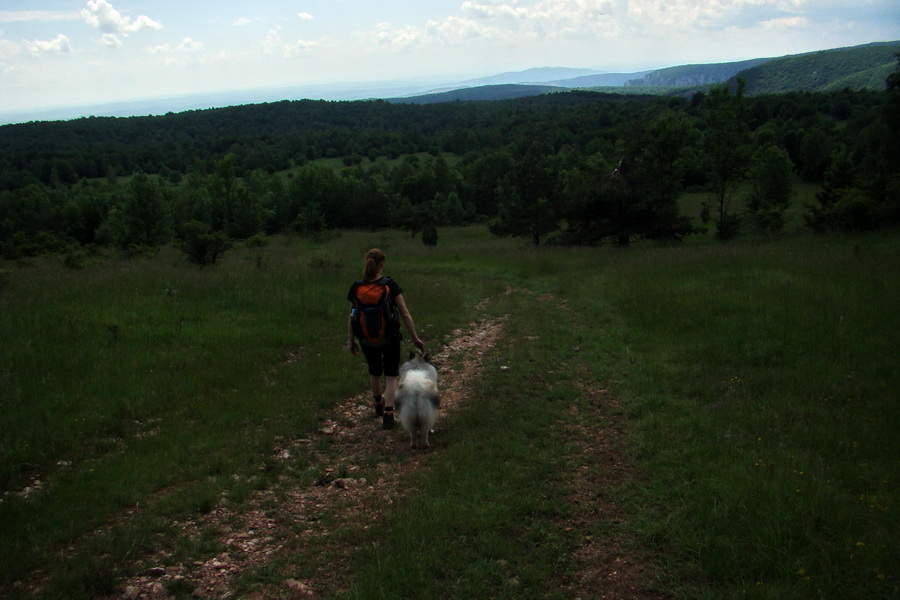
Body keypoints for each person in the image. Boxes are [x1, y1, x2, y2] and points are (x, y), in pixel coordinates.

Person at [348, 248, 425, 429]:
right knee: (391, 376)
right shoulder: (389, 284)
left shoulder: (356, 287)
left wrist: (351, 341)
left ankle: (378, 404)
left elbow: (352, 317)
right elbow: (405, 314)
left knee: (374, 372)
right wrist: (415, 338)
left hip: (366, 339)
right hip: (389, 338)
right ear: (382, 264)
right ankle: (389, 414)